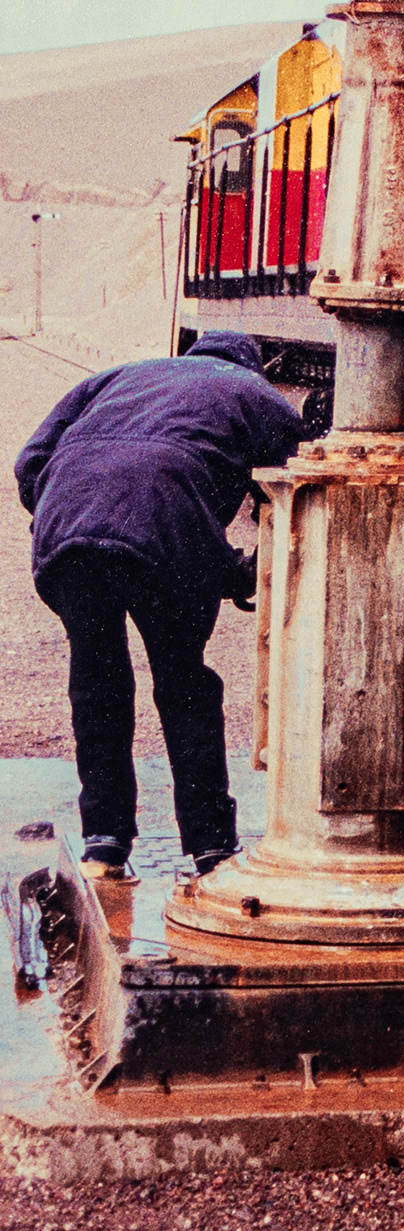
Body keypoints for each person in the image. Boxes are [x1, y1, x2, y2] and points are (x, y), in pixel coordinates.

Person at [14, 331, 306, 879]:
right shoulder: (256, 392)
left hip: (64, 534)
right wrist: (242, 570)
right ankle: (211, 849)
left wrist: (69, 506)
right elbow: (296, 496)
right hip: (166, 536)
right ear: (252, 364)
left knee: (97, 679)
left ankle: (104, 845)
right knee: (183, 686)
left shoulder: (118, 374)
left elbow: (31, 460)